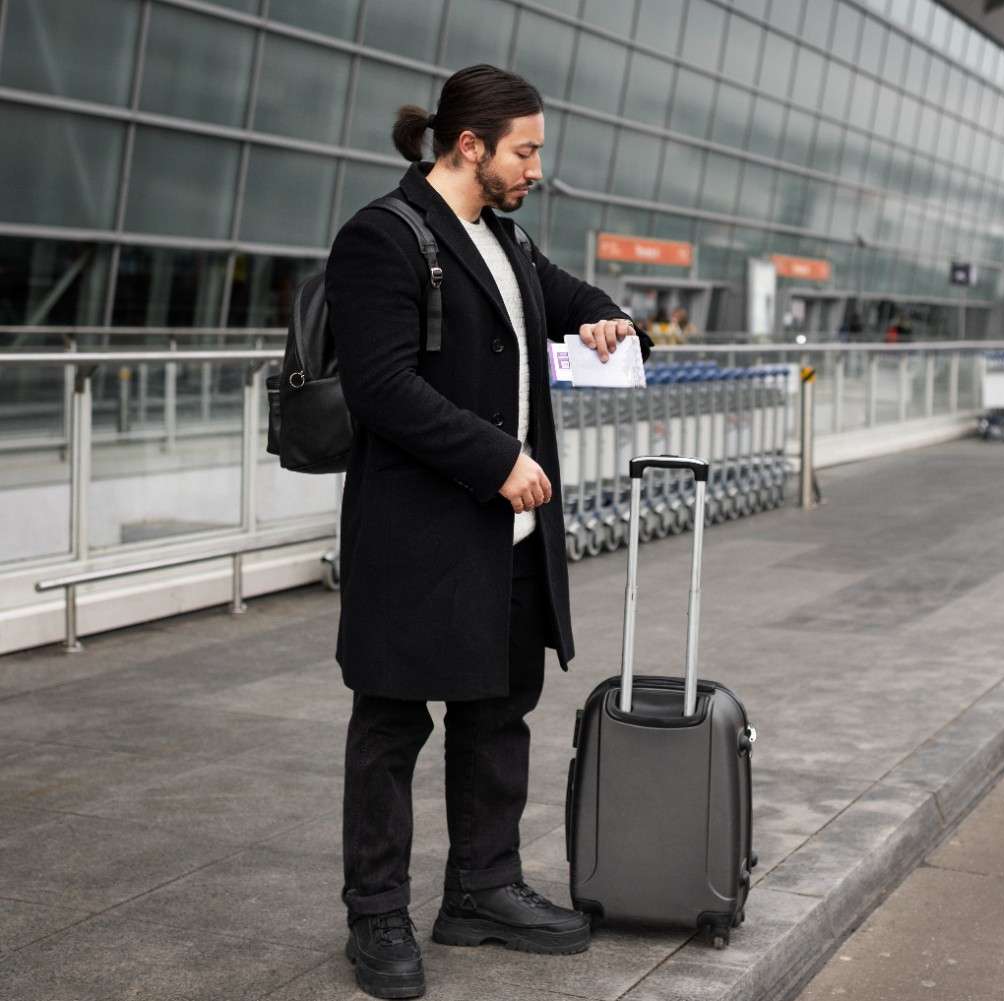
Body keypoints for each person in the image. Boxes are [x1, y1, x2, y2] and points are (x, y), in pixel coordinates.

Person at [325, 64, 651, 1000]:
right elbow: (382, 387)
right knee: (391, 721)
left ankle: (482, 886)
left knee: (498, 709)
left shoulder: (503, 239)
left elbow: (569, 297)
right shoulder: (382, 238)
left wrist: (609, 324)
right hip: (419, 530)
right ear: (470, 145)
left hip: (502, 536)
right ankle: (376, 909)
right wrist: (496, 458)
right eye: (526, 150)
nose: (536, 167)